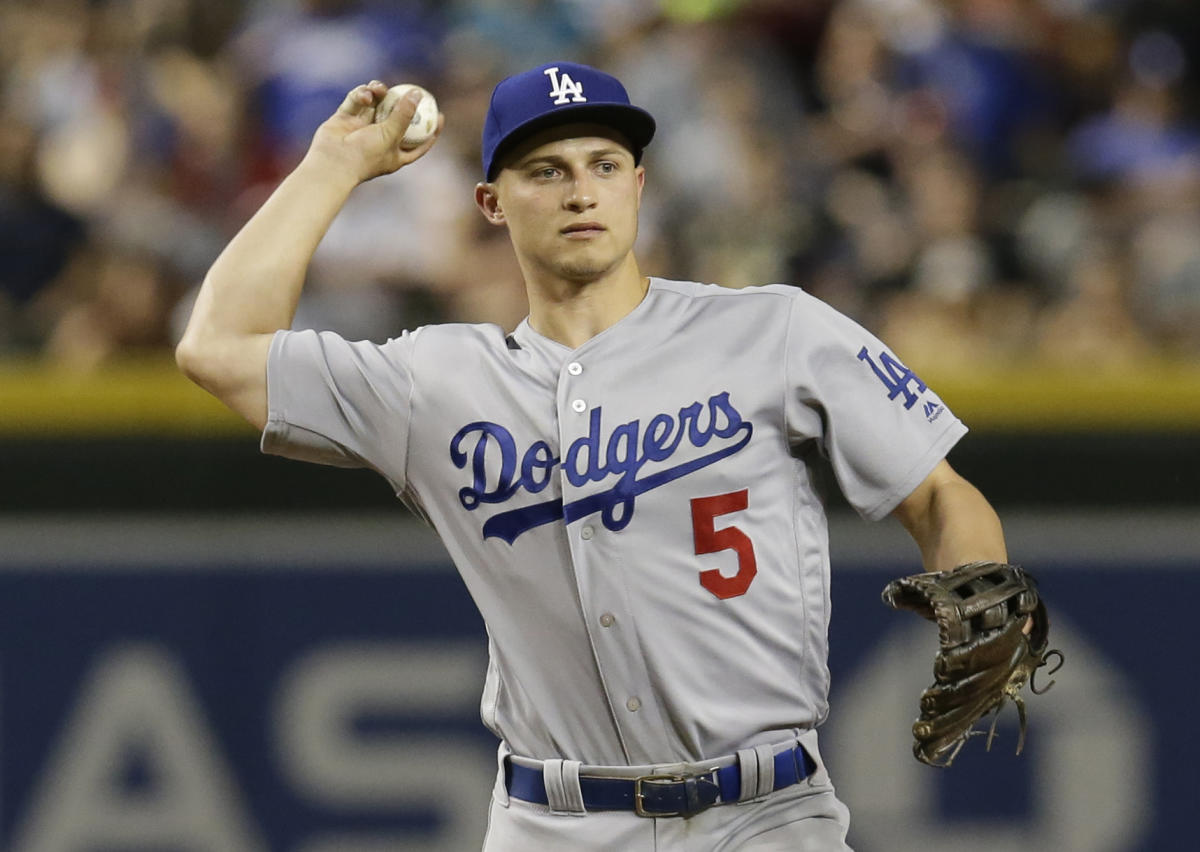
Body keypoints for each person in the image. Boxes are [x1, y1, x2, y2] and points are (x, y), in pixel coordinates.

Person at [177, 61, 1010, 851]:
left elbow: (939, 494)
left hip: (767, 817)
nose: (581, 191)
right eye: (545, 170)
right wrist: (333, 165)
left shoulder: (774, 329)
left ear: (638, 185)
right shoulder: (434, 381)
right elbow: (218, 347)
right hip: (555, 821)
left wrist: (987, 597)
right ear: (491, 202)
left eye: (605, 164)